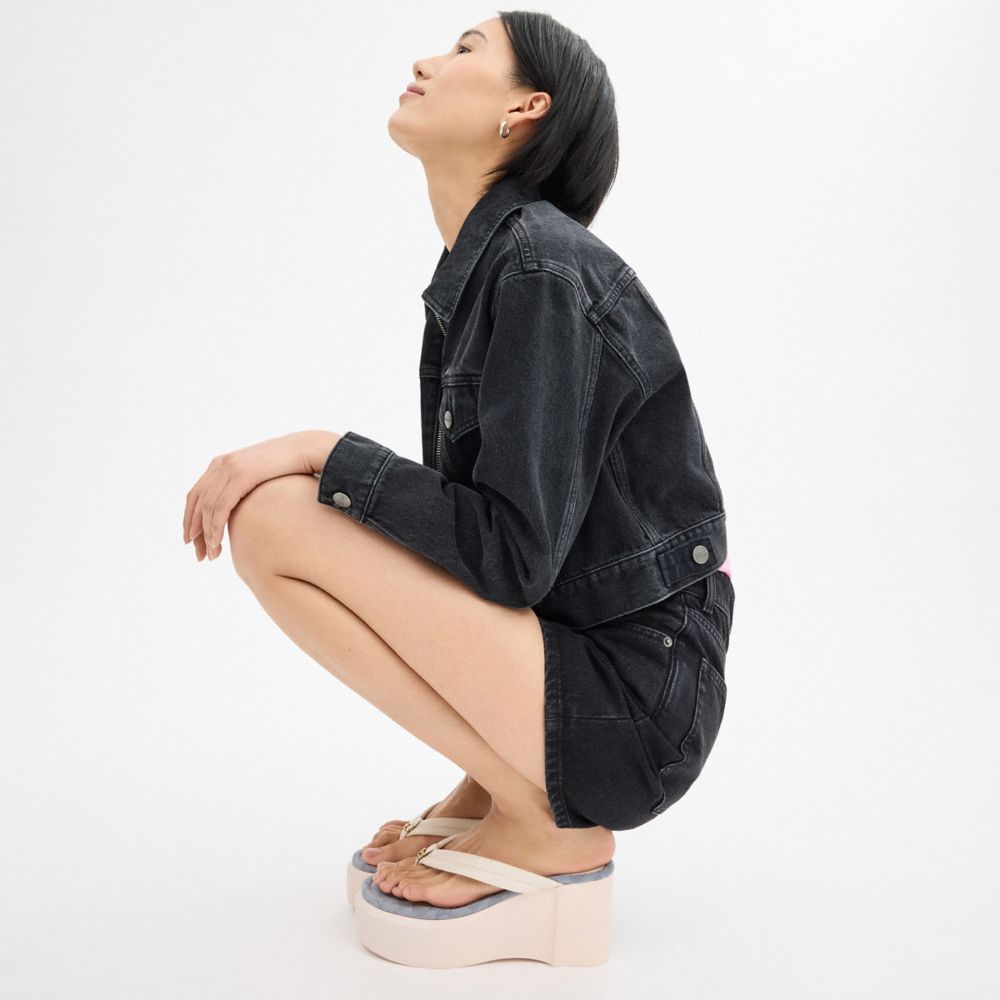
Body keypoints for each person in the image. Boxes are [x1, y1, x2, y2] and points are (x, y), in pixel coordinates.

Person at [182, 11, 734, 965]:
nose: (427, 60)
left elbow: (508, 557)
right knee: (284, 514)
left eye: (467, 49)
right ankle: (498, 785)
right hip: (598, 683)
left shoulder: (540, 267)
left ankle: (541, 819)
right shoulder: (492, 267)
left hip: (631, 713)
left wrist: (323, 450)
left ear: (525, 108)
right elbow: (501, 555)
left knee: (275, 517)